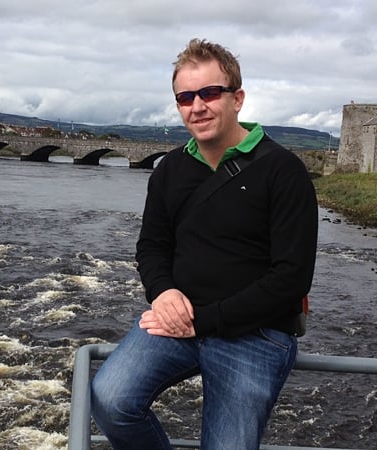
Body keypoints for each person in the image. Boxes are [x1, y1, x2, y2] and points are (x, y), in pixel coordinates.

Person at [90, 38, 318, 450]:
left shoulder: (283, 171)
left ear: (237, 98)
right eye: (186, 97)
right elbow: (152, 247)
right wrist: (163, 292)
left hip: (257, 331)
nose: (198, 106)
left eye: (211, 93)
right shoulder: (170, 170)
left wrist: (206, 320)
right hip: (181, 321)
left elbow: (292, 277)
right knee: (111, 398)